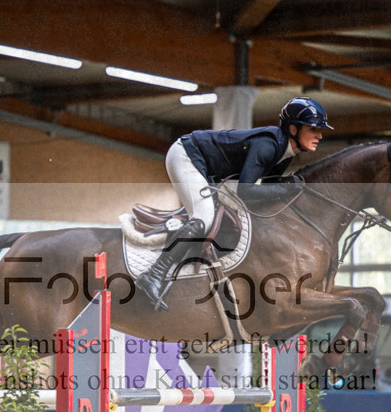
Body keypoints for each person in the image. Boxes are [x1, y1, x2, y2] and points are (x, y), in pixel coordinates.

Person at [136, 96, 334, 311]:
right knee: (204, 217)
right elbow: (246, 191)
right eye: (314, 129)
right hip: (186, 155)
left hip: (210, 169)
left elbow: (268, 195)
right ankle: (153, 274)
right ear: (294, 129)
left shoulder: (285, 153)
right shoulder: (267, 146)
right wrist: (285, 188)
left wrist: (286, 187)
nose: (320, 135)